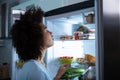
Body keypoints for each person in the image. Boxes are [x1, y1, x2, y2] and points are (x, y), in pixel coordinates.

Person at [10, 7, 70, 80]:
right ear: (36, 38)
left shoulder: (33, 65)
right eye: (45, 30)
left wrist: (58, 76)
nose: (50, 32)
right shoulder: (36, 71)